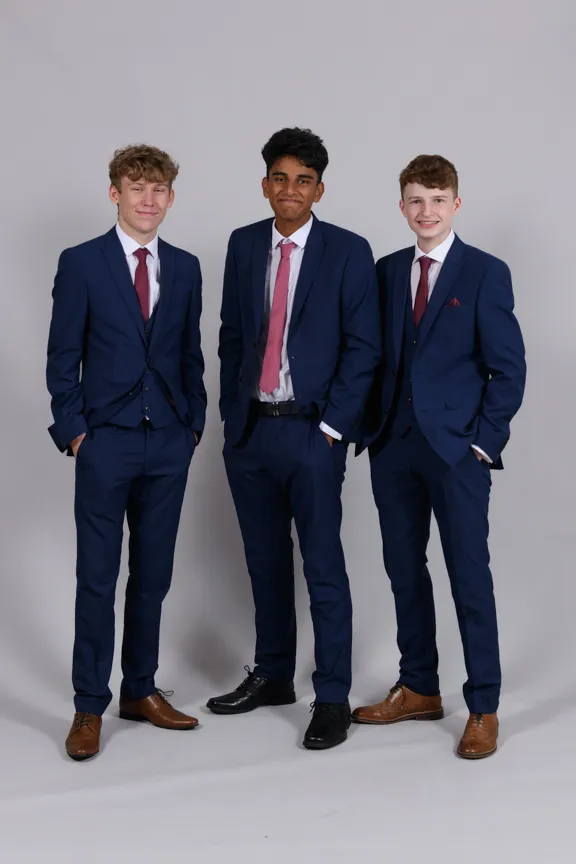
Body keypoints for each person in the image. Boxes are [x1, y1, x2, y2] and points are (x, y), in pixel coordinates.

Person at [209, 127, 381, 750]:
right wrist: (233, 417)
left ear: (319, 190)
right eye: (280, 178)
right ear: (265, 185)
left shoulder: (348, 251)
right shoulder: (243, 243)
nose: (290, 189)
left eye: (303, 180)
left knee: (323, 565)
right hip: (253, 431)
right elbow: (232, 335)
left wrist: (333, 428)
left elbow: (364, 347)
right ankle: (274, 673)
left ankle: (331, 696)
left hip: (313, 433)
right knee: (264, 561)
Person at [353, 155, 526, 759]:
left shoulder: (484, 272)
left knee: (468, 576)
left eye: (437, 200)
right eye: (415, 201)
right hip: (393, 446)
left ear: (456, 204)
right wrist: (366, 429)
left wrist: (482, 444)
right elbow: (371, 355)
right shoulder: (386, 271)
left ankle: (484, 705)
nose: (426, 211)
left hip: (456, 452)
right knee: (403, 570)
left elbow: (508, 369)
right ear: (402, 207)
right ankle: (420, 687)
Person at [47, 144, 206, 761]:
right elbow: (63, 356)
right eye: (137, 188)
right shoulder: (82, 262)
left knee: (153, 575)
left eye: (158, 189)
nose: (148, 199)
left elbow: (189, 354)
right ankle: (90, 703)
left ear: (171, 197)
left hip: (168, 440)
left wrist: (191, 424)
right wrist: (76, 431)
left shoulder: (186, 267)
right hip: (105, 441)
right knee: (97, 577)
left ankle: (139, 689)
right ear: (115, 193)